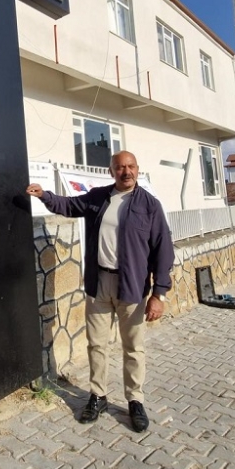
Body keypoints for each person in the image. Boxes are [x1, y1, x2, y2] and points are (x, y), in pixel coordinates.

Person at [26, 151, 173, 432]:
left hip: (132, 286)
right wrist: (44, 195)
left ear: (137, 169)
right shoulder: (98, 197)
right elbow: (69, 206)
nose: (125, 171)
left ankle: (135, 401)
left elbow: (163, 250)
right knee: (97, 345)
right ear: (111, 172)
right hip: (99, 284)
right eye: (120, 167)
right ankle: (98, 395)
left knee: (133, 347)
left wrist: (159, 293)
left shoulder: (149, 205)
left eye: (130, 166)